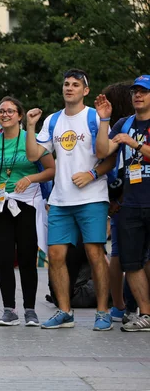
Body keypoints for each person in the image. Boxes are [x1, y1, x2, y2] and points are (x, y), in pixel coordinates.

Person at [26, 69, 113, 331]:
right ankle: (64, 311)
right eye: (66, 84)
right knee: (55, 255)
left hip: (92, 197)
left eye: (76, 85)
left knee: (95, 252)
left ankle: (102, 311)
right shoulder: (53, 120)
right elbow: (33, 155)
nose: (69, 88)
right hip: (61, 199)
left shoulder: (94, 117)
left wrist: (92, 174)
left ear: (85, 91)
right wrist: (30, 126)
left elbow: (105, 154)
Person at [0, 96, 55, 326]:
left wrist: (30, 177)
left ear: (20, 115)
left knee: (27, 257)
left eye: (10, 111)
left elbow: (51, 169)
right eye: (1, 111)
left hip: (27, 202)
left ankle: (30, 309)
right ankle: (8, 309)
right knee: (3, 257)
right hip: (1, 202)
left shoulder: (32, 139)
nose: (5, 115)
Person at [95, 75, 150, 331]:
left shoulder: (135, 132)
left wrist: (135, 143)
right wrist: (104, 119)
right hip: (130, 202)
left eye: (143, 92)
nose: (137, 96)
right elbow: (102, 151)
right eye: (134, 92)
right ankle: (144, 314)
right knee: (131, 262)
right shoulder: (123, 123)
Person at [98, 82, 135, 322]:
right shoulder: (127, 125)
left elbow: (106, 161)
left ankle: (120, 304)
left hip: (121, 197)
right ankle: (131, 304)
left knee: (119, 254)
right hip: (128, 197)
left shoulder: (119, 126)